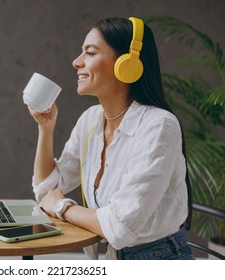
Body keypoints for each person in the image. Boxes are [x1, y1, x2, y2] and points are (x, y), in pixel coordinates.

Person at [28, 16, 194, 260]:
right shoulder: (91, 119)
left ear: (126, 65)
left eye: (90, 53)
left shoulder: (159, 126)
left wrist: (62, 207)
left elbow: (119, 227)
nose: (76, 62)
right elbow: (46, 190)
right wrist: (46, 128)